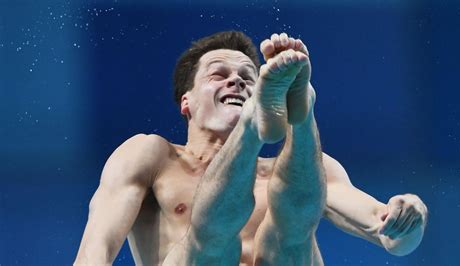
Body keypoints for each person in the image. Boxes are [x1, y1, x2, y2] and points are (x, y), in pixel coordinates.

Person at [74, 31, 428, 266]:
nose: (237, 80)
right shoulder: (151, 156)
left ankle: (302, 113)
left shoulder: (298, 169)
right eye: (219, 74)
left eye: (248, 76)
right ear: (187, 102)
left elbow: (394, 238)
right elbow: (96, 247)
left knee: (289, 229)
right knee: (209, 240)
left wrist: (411, 212)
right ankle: (259, 124)